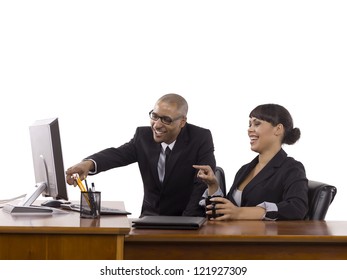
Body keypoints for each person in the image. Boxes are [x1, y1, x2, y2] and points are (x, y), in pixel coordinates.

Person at [66, 93, 216, 217]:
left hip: (187, 219)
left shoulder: (200, 138)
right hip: (150, 219)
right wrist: (88, 164)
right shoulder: (143, 136)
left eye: (166, 120)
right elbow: (117, 155)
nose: (157, 125)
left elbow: (201, 184)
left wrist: (186, 225)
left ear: (182, 122)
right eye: (154, 116)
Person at [194, 103, 309, 220]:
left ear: (278, 129)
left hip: (262, 237)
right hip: (236, 236)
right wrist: (213, 184)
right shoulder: (244, 169)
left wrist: (240, 213)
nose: (249, 129)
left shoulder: (292, 168)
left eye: (257, 123)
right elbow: (229, 210)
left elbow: (297, 208)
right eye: (249, 124)